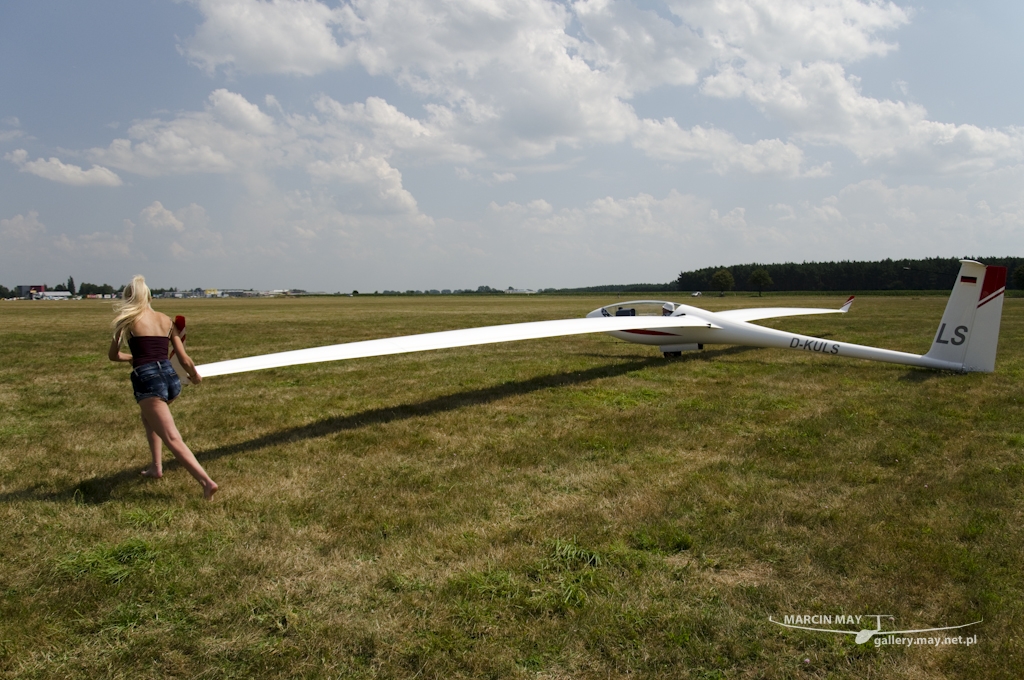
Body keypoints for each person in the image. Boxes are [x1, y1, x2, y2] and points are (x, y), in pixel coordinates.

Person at [108, 275, 218, 500]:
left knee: (172, 437)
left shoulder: (127, 320)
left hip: (149, 380)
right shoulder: (166, 320)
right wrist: (194, 376)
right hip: (170, 379)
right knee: (148, 418)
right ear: (149, 296)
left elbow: (113, 355)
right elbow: (183, 358)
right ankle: (156, 467)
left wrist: (133, 358)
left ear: (129, 298)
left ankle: (206, 482)